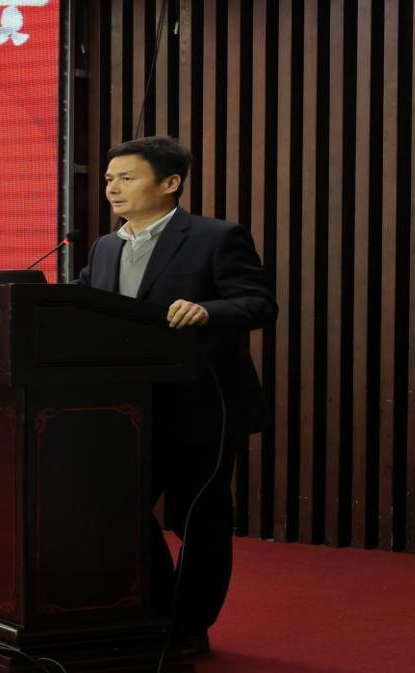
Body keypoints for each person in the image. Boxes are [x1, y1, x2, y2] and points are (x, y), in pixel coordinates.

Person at [75, 136, 277, 654]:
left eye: (126, 178)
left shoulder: (216, 237)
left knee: (200, 522)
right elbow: (82, 306)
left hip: (202, 407)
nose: (112, 188)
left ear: (170, 183)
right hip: (126, 410)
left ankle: (189, 629)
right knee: (114, 509)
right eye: (109, 179)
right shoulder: (105, 247)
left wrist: (209, 310)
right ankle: (160, 609)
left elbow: (258, 303)